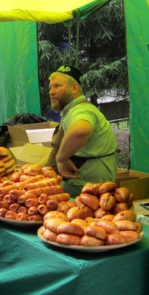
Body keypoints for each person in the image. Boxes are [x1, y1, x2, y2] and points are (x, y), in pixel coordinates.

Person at [47, 65, 117, 197]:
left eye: (57, 86)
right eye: (50, 87)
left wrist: (61, 159)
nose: (51, 91)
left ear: (74, 88)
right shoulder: (71, 110)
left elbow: (80, 131)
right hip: (83, 182)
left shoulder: (82, 110)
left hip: (90, 187)